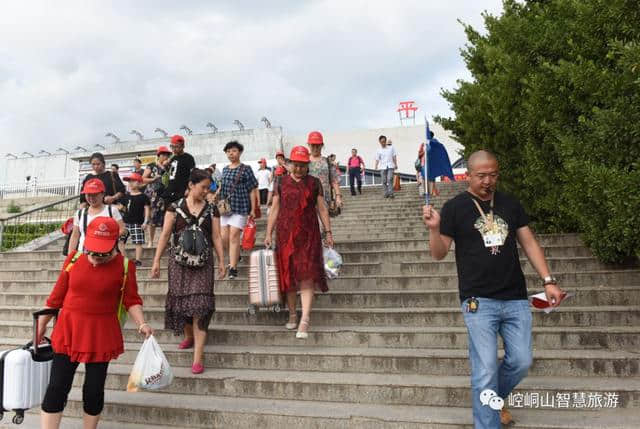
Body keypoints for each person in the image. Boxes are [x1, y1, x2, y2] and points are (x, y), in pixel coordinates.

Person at [422, 150, 565, 428]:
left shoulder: (510, 204)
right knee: (485, 371)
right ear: (469, 175)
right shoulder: (455, 207)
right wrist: (434, 229)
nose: (488, 180)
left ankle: (491, 400)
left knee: (522, 361)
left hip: (514, 297)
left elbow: (529, 243)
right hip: (477, 301)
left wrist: (548, 280)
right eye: (481, 176)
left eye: (493, 174)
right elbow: (439, 253)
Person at [38, 216, 152, 429]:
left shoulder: (125, 266)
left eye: (103, 252)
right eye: (92, 250)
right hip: (68, 331)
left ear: (115, 243)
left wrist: (142, 323)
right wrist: (41, 324)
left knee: (93, 390)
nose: (96, 256)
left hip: (101, 334)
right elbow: (55, 297)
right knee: (57, 387)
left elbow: (132, 300)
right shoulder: (73, 259)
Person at [151, 169, 225, 374]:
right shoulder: (174, 208)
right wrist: (156, 260)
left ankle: (198, 357)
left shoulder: (212, 210)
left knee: (200, 306)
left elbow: (217, 237)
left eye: (208, 188)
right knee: (181, 303)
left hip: (203, 263)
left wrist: (222, 261)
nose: (206, 191)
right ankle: (188, 336)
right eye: (203, 187)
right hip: (179, 264)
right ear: (191, 185)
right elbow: (165, 235)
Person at [264, 146, 333, 339]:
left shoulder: (314, 183)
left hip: (309, 235)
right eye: (296, 165)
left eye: (303, 165)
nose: (299, 169)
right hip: (286, 235)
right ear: (290, 164)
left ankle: (305, 319)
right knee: (289, 276)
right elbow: (275, 209)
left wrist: (328, 232)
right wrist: (268, 233)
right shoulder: (280, 182)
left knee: (307, 275)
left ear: (307, 165)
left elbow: (322, 208)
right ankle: (293, 313)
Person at [216, 141, 258, 279]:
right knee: (223, 237)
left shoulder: (246, 169)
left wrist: (253, 208)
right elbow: (222, 186)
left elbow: (252, 189)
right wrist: (216, 193)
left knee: (234, 235)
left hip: (240, 206)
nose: (231, 153)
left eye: (233, 151)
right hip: (225, 208)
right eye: (228, 151)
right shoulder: (225, 169)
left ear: (239, 152)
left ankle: (233, 268)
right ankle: (236, 255)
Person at [69, 179, 126, 255]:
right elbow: (75, 236)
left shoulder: (111, 211)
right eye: (88, 195)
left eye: (95, 194)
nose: (91, 198)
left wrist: (106, 237)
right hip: (84, 255)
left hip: (106, 255)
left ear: (102, 194)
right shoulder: (80, 213)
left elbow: (122, 229)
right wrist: (70, 256)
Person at [307, 131, 342, 218]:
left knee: (323, 228)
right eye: (313, 145)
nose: (315, 148)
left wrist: (338, 196)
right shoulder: (304, 161)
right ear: (308, 145)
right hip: (307, 200)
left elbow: (334, 180)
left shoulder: (327, 161)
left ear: (322, 145)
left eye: (317, 145)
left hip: (324, 201)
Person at [142, 146, 172, 247]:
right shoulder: (152, 166)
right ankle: (150, 240)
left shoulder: (169, 167)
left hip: (165, 195)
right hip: (153, 196)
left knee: (165, 219)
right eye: (163, 155)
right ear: (158, 156)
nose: (165, 157)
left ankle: (165, 240)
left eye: (167, 155)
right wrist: (153, 179)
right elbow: (143, 179)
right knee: (152, 219)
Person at [120, 173, 151, 266]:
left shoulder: (143, 196)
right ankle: (124, 259)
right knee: (120, 241)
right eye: (129, 181)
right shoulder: (126, 196)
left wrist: (146, 222)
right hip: (125, 222)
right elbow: (122, 207)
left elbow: (147, 209)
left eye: (133, 181)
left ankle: (138, 260)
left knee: (138, 242)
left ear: (140, 183)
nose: (130, 183)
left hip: (137, 223)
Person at [162, 134, 196, 206]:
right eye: (172, 146)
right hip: (170, 191)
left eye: (177, 146)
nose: (174, 149)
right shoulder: (172, 157)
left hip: (182, 191)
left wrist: (189, 189)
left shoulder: (188, 158)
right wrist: (166, 165)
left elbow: (193, 174)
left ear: (183, 146)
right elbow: (170, 172)